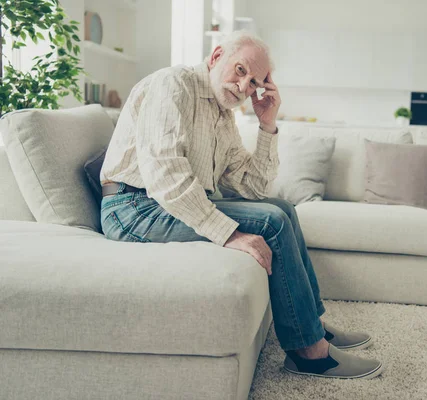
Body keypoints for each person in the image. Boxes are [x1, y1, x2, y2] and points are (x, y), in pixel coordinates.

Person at [99, 31, 383, 379]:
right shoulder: (173, 85)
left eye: (255, 82)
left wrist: (267, 124)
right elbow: (165, 174)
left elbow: (255, 186)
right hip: (133, 209)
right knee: (271, 222)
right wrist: (228, 235)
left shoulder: (222, 115)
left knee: (283, 209)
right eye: (240, 70)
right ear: (217, 56)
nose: (245, 85)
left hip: (162, 205)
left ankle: (314, 327)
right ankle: (310, 354)